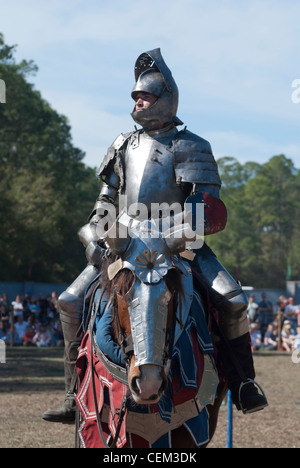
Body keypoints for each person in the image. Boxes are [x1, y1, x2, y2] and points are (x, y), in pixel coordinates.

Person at [42, 48, 267, 424]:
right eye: (135, 97)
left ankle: (245, 383)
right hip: (124, 244)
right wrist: (95, 239)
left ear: (166, 99)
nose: (138, 101)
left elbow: (205, 205)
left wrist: (175, 235)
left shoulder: (191, 144)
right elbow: (104, 201)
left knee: (232, 299)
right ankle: (71, 394)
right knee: (68, 301)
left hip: (178, 245)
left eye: (144, 95)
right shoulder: (121, 144)